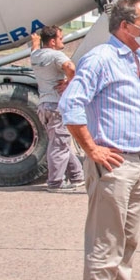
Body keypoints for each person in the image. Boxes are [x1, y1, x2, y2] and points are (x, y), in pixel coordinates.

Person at [59, 0, 140, 280]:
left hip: (137, 160)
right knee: (106, 240)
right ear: (126, 25)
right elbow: (71, 106)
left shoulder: (137, 57)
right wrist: (92, 150)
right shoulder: (100, 59)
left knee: (127, 238)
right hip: (113, 164)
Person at [30, 25, 84, 192]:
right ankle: (55, 183)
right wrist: (70, 82)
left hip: (44, 106)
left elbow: (34, 50)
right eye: (61, 38)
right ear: (52, 41)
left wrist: (35, 42)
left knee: (60, 142)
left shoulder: (36, 55)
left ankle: (77, 176)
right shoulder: (56, 55)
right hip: (56, 106)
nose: (63, 41)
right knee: (59, 145)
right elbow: (71, 67)